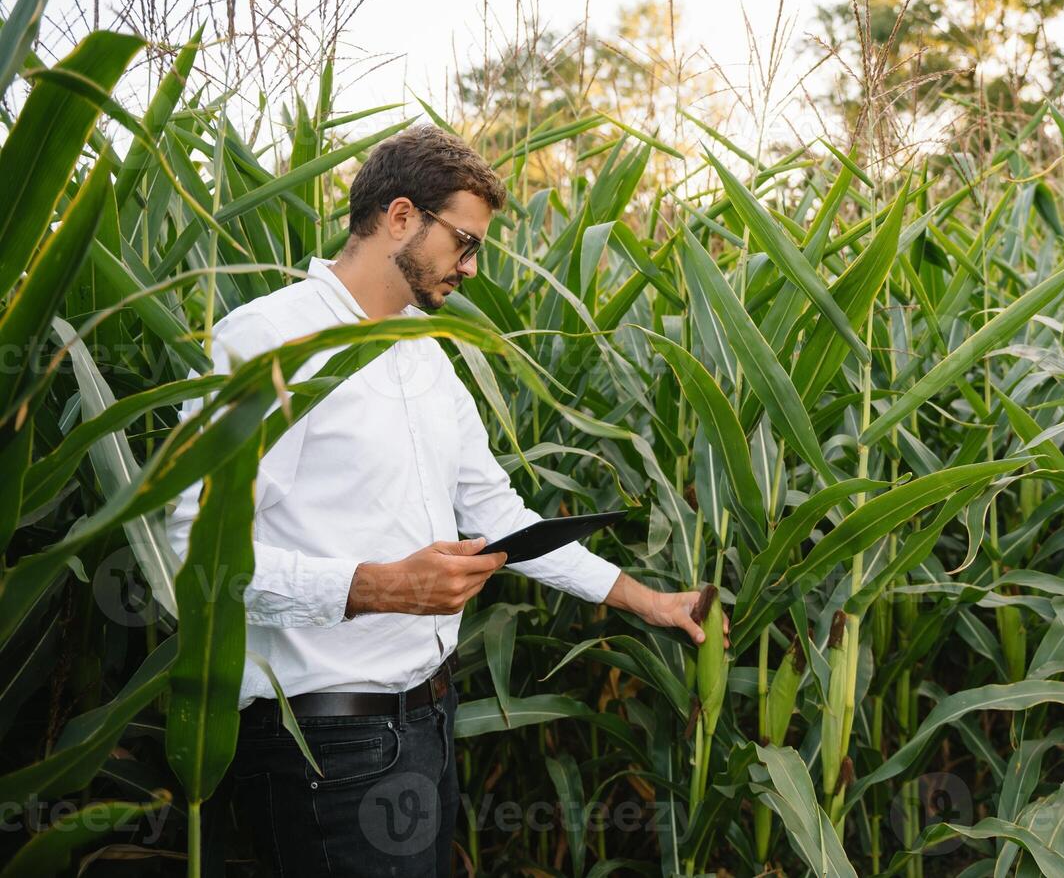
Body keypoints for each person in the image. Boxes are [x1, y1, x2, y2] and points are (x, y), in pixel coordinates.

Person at [164, 124, 725, 876]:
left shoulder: (423, 352)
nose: (471, 267)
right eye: (463, 242)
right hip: (324, 743)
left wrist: (643, 600)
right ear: (400, 217)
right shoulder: (268, 341)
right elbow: (189, 560)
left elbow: (500, 516)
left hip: (427, 721)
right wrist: (376, 587)